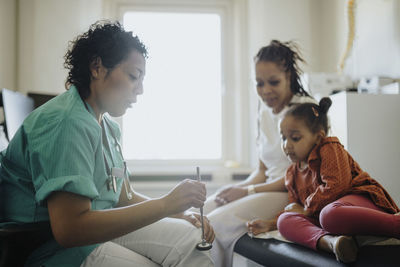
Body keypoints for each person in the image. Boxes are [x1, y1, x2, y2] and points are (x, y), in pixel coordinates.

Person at [0, 21, 215, 267]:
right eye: (134, 76)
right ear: (97, 67)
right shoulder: (66, 122)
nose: (141, 90)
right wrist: (166, 203)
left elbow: (123, 198)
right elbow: (70, 230)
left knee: (192, 237)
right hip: (50, 248)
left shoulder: (107, 127)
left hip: (96, 232)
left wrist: (178, 212)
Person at [204, 40, 316, 267]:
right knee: (200, 211)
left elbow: (302, 177)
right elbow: (263, 169)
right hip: (267, 187)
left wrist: (246, 191)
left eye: (273, 82)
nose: (265, 91)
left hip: (293, 192)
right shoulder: (263, 111)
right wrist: (237, 189)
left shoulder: (306, 110)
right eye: (259, 83)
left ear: (289, 78)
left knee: (214, 223)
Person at [247, 97, 400, 263]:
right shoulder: (291, 174)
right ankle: (334, 243)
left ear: (318, 137)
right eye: (283, 138)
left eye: (295, 138)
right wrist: (270, 224)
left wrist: (306, 208)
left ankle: (395, 223)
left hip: (357, 199)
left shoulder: (329, 148)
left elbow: (337, 186)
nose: (286, 145)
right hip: (324, 218)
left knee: (329, 215)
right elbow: (297, 208)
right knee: (285, 220)